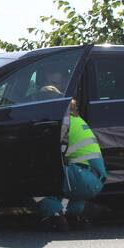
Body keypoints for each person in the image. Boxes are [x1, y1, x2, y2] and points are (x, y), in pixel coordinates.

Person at [38, 98, 107, 231]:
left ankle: (55, 217)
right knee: (51, 187)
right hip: (92, 177)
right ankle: (80, 210)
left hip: (83, 176)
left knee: (32, 179)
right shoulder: (77, 120)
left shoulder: (64, 124)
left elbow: (53, 155)